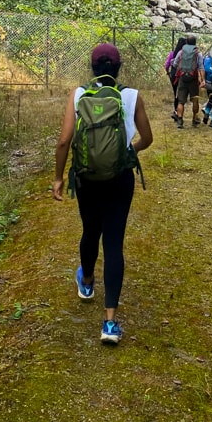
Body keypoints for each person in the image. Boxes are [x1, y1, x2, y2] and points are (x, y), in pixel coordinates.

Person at [52, 43, 153, 345]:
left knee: (90, 230)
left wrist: (58, 178)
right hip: (119, 178)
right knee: (114, 242)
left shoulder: (79, 95)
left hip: (86, 177)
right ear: (119, 67)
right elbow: (147, 139)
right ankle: (109, 324)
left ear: (93, 68)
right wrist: (125, 151)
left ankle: (86, 282)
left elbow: (63, 142)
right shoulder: (132, 96)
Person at [171, 33, 205, 128]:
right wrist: (203, 80)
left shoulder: (181, 52)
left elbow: (175, 64)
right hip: (193, 79)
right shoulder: (198, 53)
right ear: (195, 43)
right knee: (195, 100)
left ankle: (180, 120)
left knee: (181, 101)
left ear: (186, 42)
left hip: (182, 78)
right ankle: (194, 119)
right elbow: (201, 67)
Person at [164, 36, 187, 121]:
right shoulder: (184, 54)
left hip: (173, 75)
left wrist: (168, 72)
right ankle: (177, 113)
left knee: (176, 94)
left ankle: (176, 111)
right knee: (180, 95)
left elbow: (166, 65)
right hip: (181, 75)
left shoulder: (172, 53)